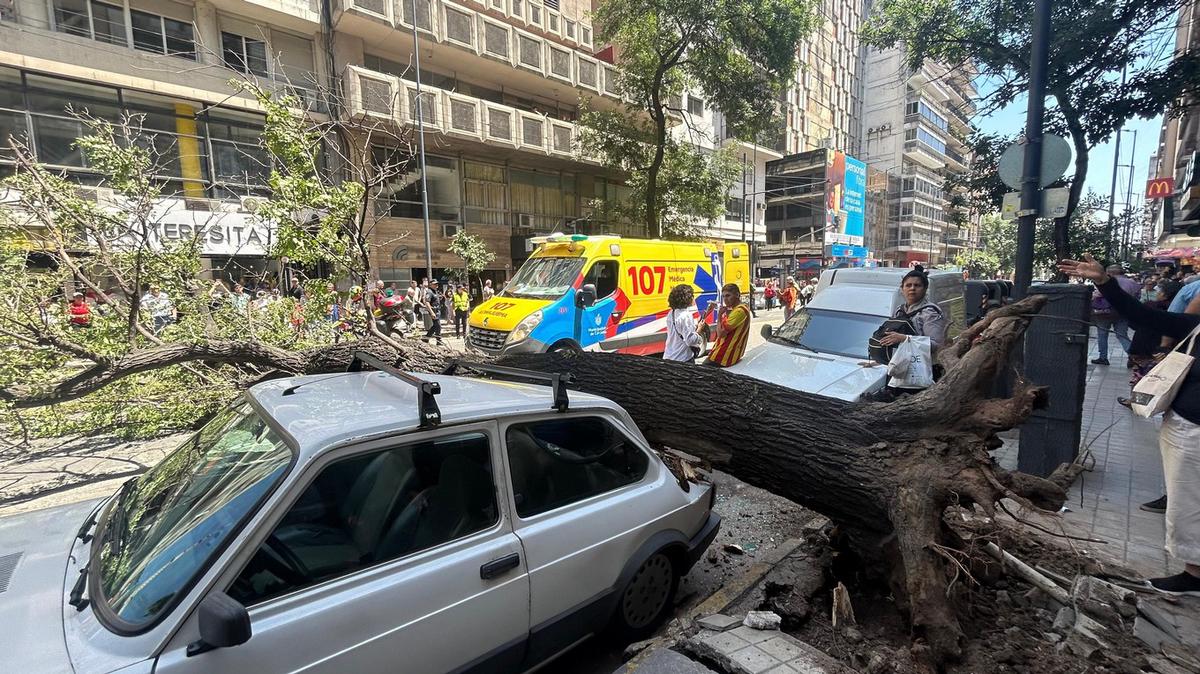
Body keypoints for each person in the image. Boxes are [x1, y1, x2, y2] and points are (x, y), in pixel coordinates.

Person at [1059, 254, 1200, 596]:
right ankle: (1194, 572)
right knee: (1187, 498)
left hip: (1191, 426)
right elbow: (1144, 316)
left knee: (1190, 499)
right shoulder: (1194, 325)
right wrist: (1104, 282)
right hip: (1189, 422)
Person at [876, 265, 948, 350]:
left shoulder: (929, 313)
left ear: (925, 289)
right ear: (902, 289)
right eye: (908, 285)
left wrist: (905, 339)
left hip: (923, 362)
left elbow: (937, 345)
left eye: (917, 285)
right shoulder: (899, 310)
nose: (912, 288)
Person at [1091, 264, 1139, 366]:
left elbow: (1098, 294)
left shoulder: (1108, 282)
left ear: (1110, 273)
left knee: (1102, 334)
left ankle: (1103, 357)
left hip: (1104, 312)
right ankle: (1134, 356)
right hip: (1124, 312)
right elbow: (1136, 296)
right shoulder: (1133, 283)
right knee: (1122, 335)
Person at [705, 283, 752, 367]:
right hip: (722, 354)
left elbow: (721, 334)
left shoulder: (739, 311)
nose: (725, 299)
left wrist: (719, 316)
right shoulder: (735, 309)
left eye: (728, 296)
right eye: (723, 296)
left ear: (737, 295)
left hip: (723, 356)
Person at [664, 284, 704, 362]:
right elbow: (690, 341)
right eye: (692, 295)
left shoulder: (671, 312)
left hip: (669, 356)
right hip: (683, 358)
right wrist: (699, 330)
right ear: (687, 298)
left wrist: (694, 325)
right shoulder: (686, 315)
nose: (693, 298)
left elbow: (680, 329)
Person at [423, 278, 445, 345]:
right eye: (434, 284)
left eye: (437, 284)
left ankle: (425, 338)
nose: (436, 285)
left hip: (437, 310)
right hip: (433, 311)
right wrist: (431, 312)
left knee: (435, 326)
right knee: (438, 326)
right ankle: (439, 340)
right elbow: (427, 302)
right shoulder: (429, 292)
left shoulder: (435, 291)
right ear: (430, 285)